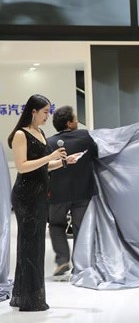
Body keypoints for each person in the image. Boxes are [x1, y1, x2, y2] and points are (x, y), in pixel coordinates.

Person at [8, 94, 82, 312]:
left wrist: (64, 162)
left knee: (35, 246)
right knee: (29, 246)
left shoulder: (40, 133)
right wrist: (50, 158)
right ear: (33, 112)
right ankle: (30, 299)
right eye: (45, 112)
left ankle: (25, 295)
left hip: (40, 195)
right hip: (25, 196)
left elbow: (43, 167)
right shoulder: (21, 134)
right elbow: (22, 166)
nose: (47, 116)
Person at [46, 106, 98, 277]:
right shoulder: (85, 136)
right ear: (69, 123)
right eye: (75, 119)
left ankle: (62, 260)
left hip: (58, 193)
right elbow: (96, 154)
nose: (77, 121)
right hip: (83, 191)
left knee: (56, 225)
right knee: (80, 228)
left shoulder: (49, 143)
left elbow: (45, 167)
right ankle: (80, 264)